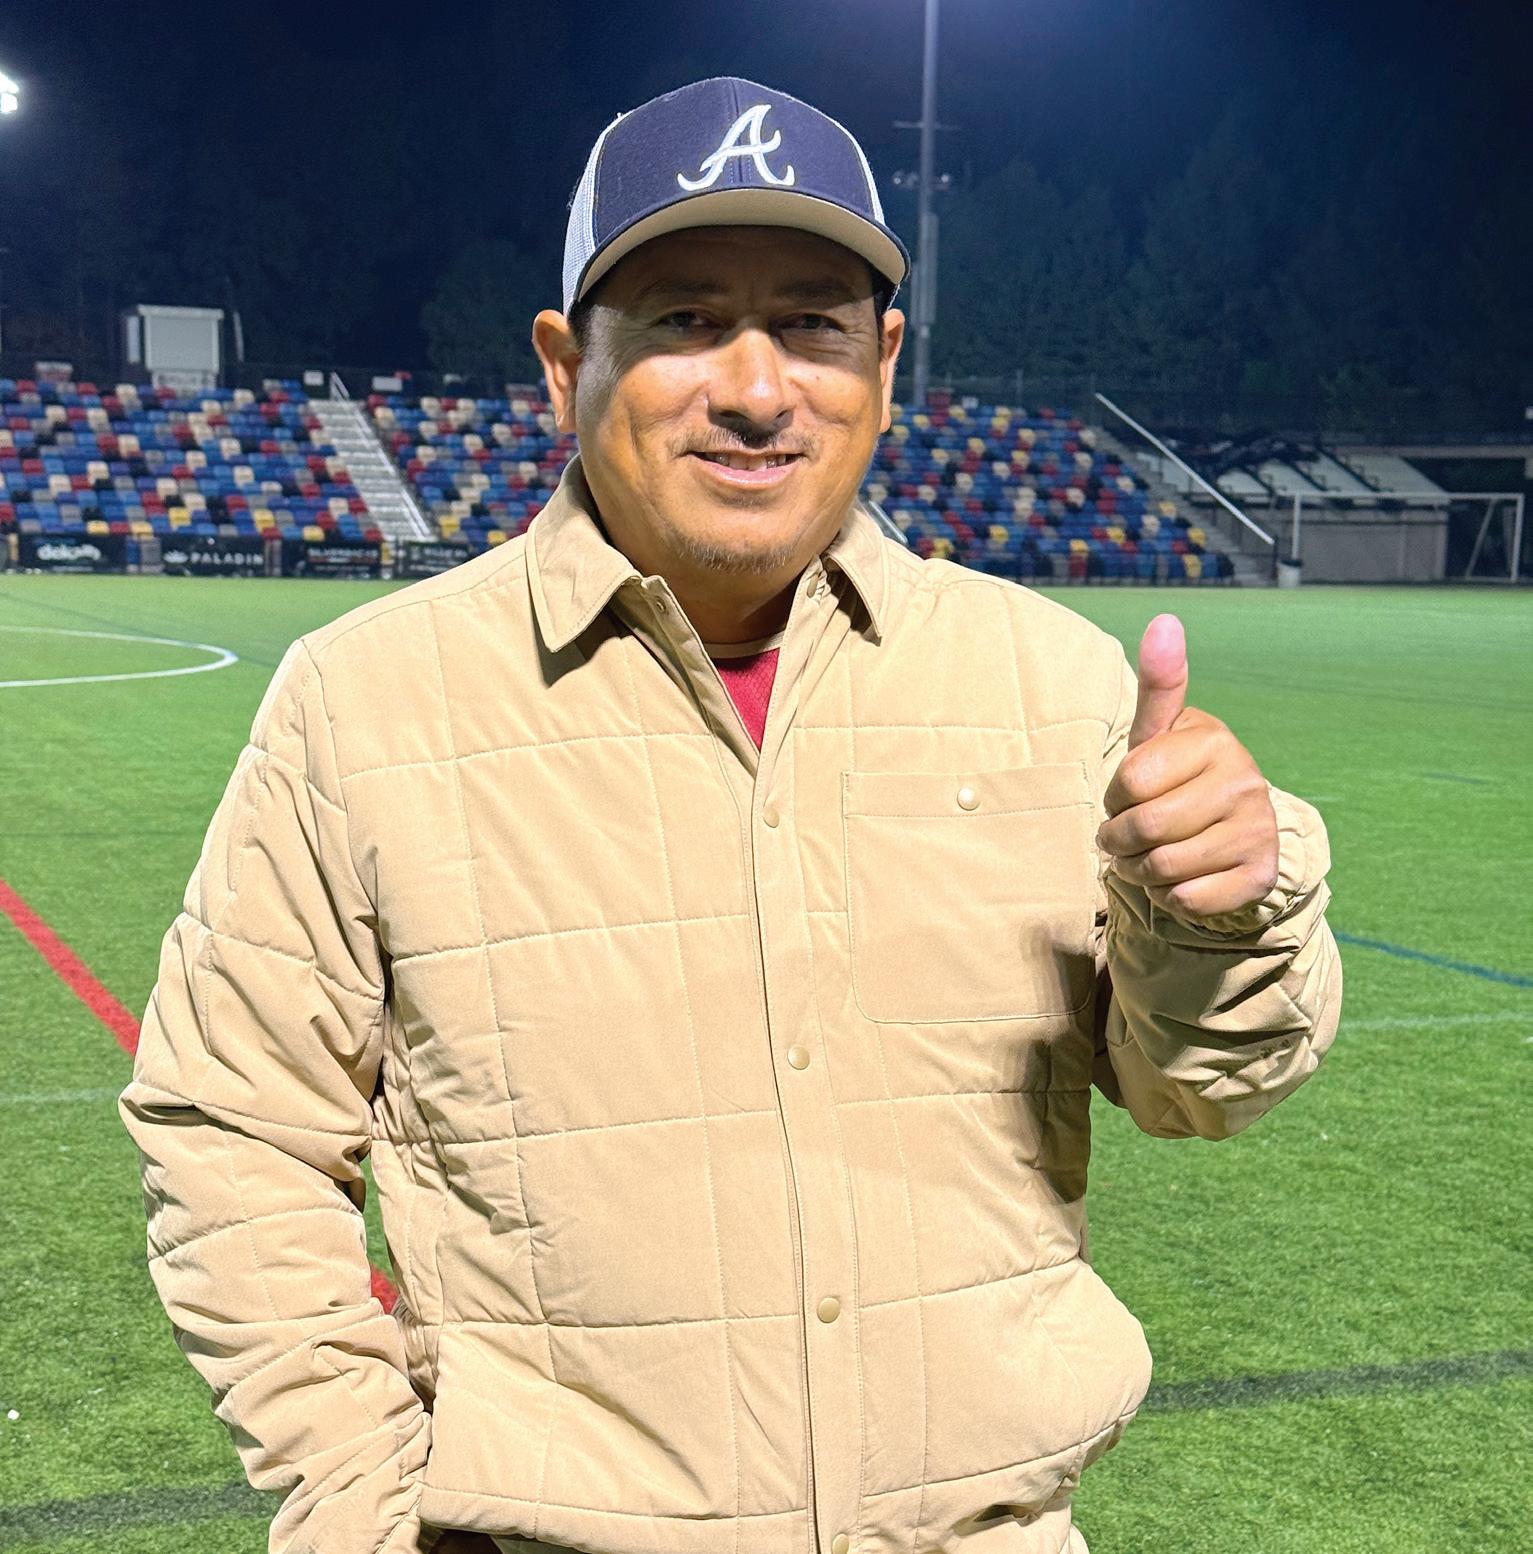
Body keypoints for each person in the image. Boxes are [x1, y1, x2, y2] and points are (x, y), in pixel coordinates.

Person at [119, 76, 1343, 1554]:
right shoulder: (365, 704)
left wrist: (1220, 913)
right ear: (565, 364)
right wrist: (360, 1498)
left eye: (813, 324)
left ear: (885, 361)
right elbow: (231, 1133)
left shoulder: (1051, 682)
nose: (759, 389)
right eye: (688, 320)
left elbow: (1203, 1087)